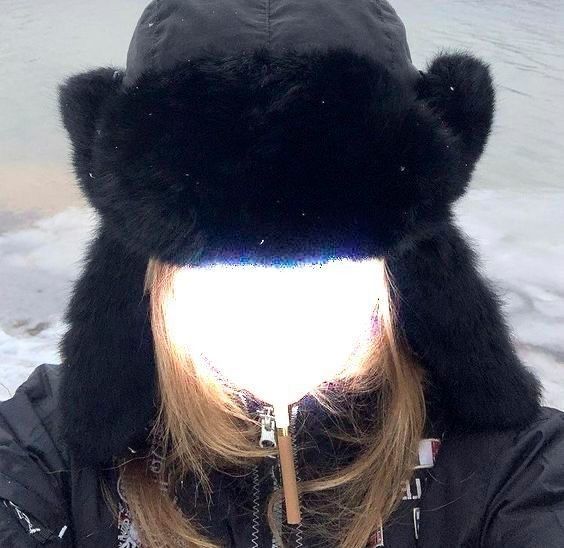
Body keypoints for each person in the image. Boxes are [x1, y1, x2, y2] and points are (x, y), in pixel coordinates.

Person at [1, 0, 563, 546]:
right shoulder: (44, 450)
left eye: (322, 261)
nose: (275, 317)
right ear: (152, 276)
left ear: (395, 271)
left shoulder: (510, 467)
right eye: (226, 265)